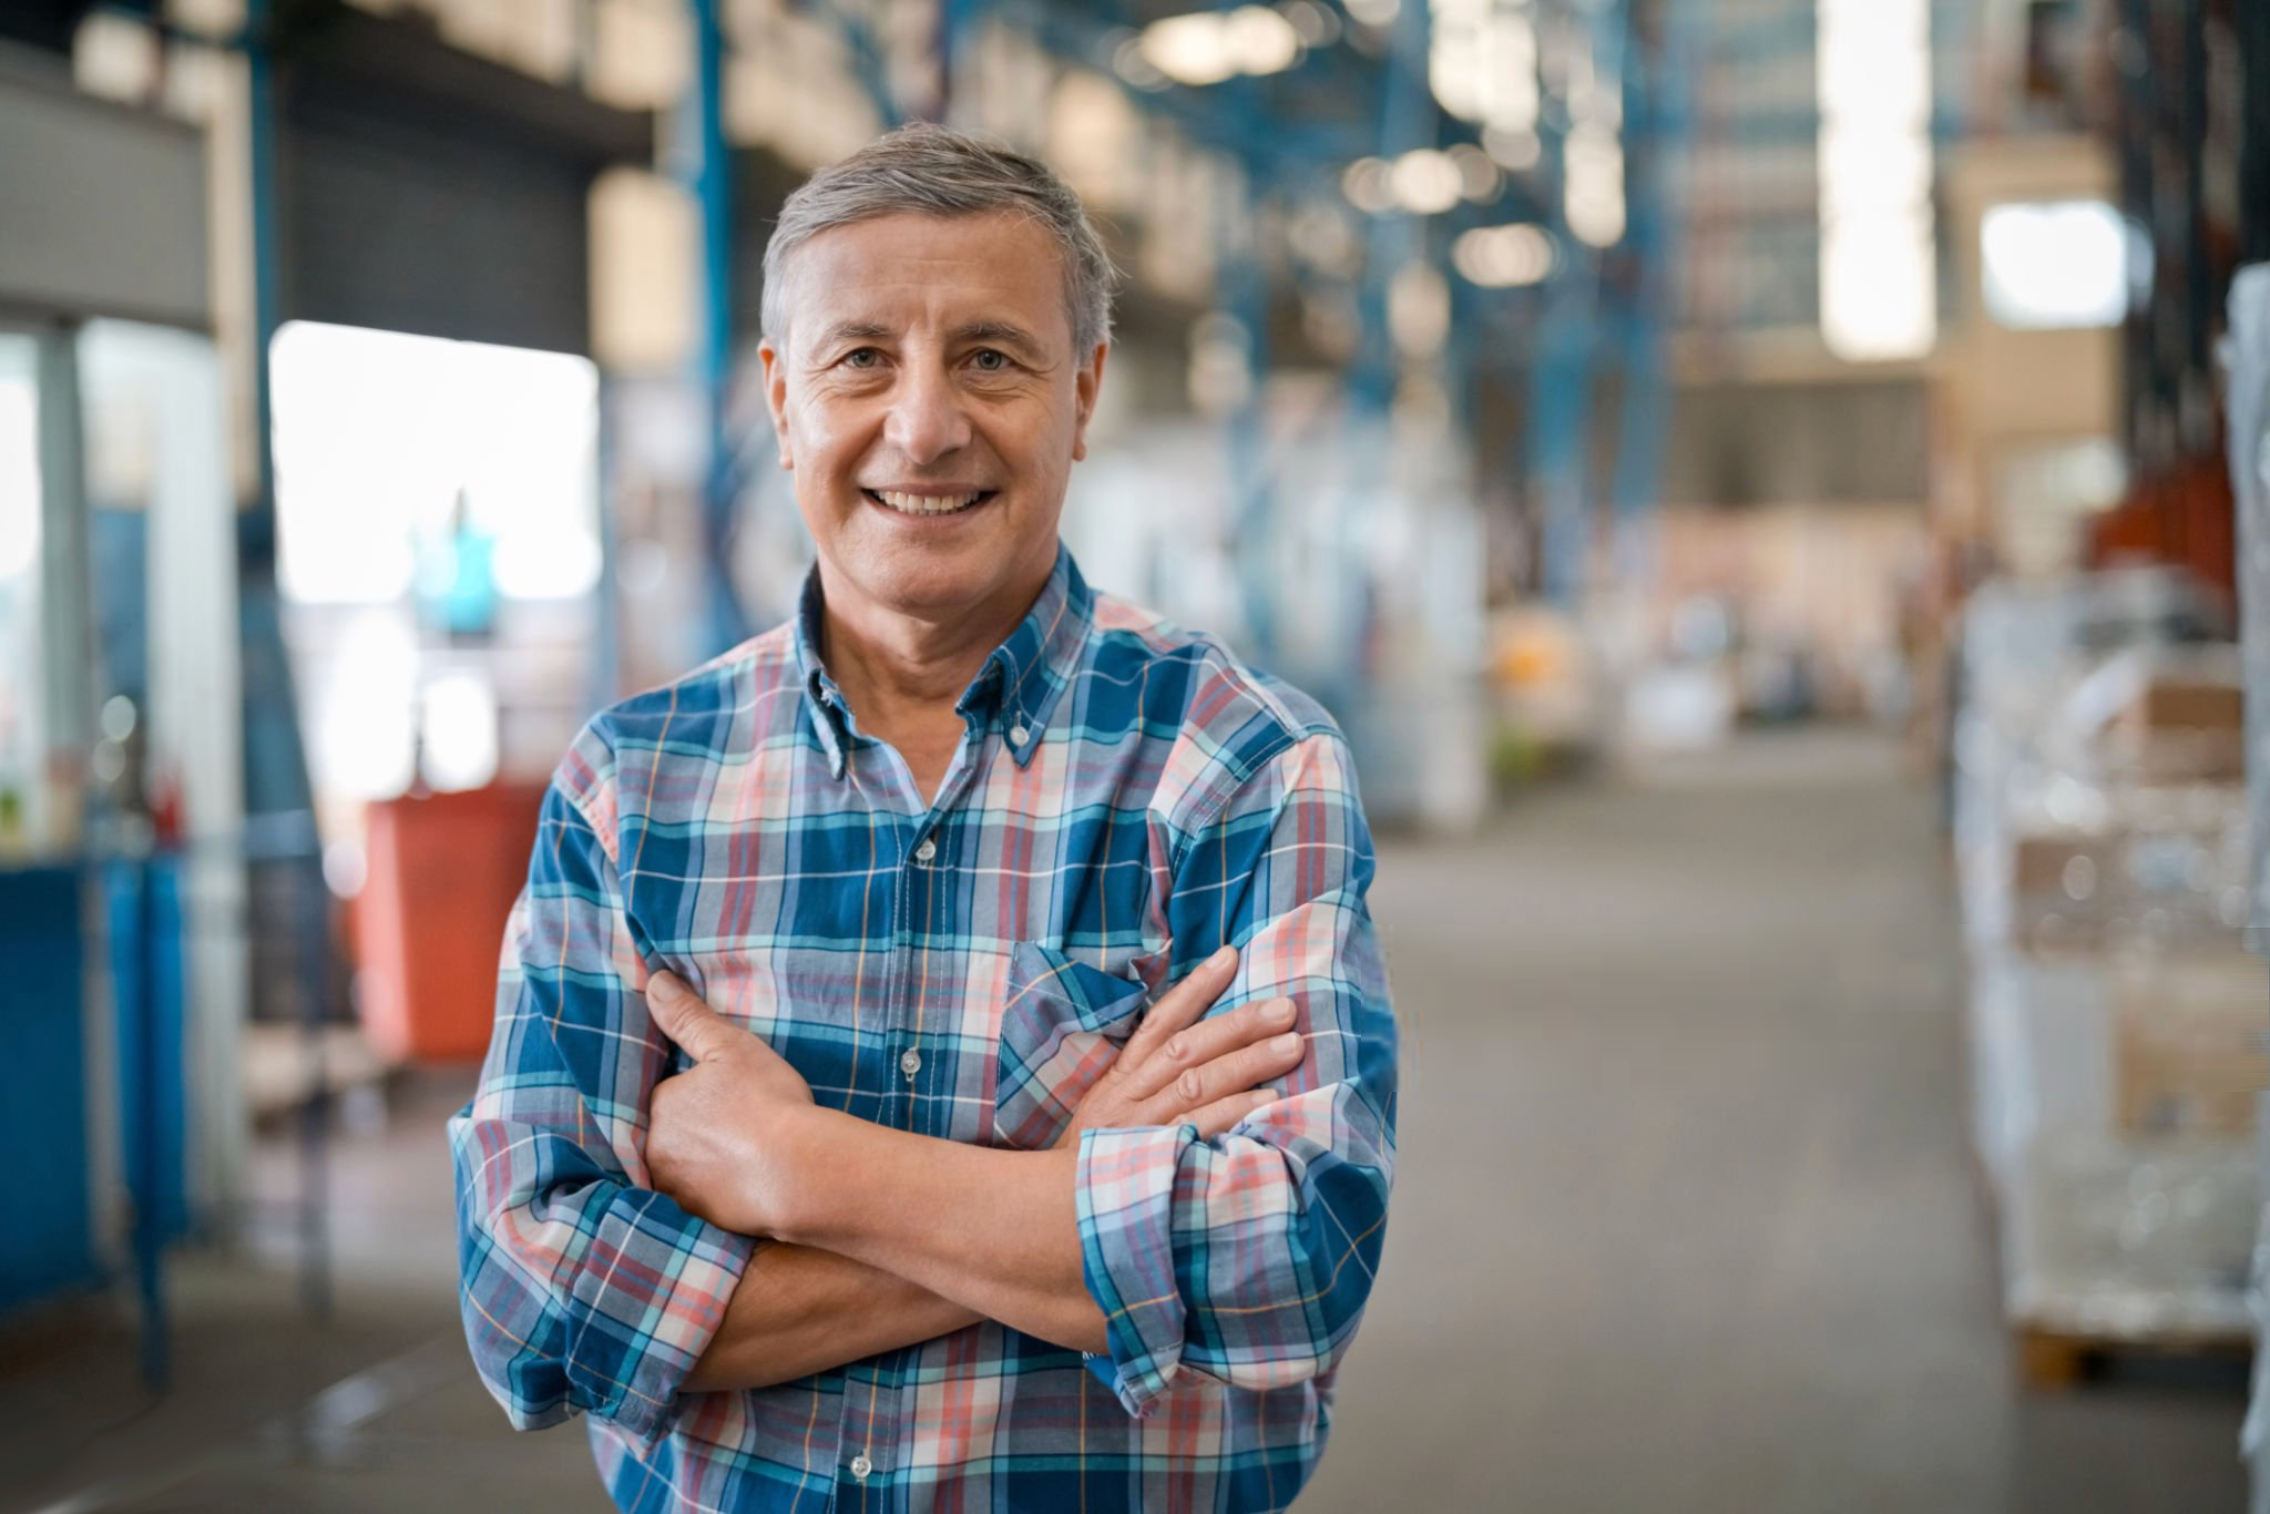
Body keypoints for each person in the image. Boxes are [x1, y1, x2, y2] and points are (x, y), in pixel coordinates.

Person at [449, 123, 1398, 1513]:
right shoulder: (632, 785)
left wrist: (803, 1167)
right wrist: (1065, 1192)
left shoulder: (1242, 766)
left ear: (1082, 395)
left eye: (990, 357)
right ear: (781, 402)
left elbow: (1291, 1260)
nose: (923, 424)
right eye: (862, 358)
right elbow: (533, 1313)